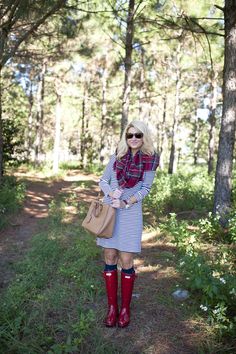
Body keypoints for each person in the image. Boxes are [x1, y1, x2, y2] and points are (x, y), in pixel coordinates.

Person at [97, 120, 159, 328]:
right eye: (130, 135)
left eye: (138, 135)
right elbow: (103, 180)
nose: (133, 138)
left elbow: (146, 190)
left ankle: (125, 308)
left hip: (130, 213)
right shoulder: (117, 156)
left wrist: (125, 202)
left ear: (144, 137)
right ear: (125, 137)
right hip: (109, 213)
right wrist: (110, 193)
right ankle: (112, 307)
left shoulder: (150, 160)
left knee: (126, 260)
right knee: (109, 256)